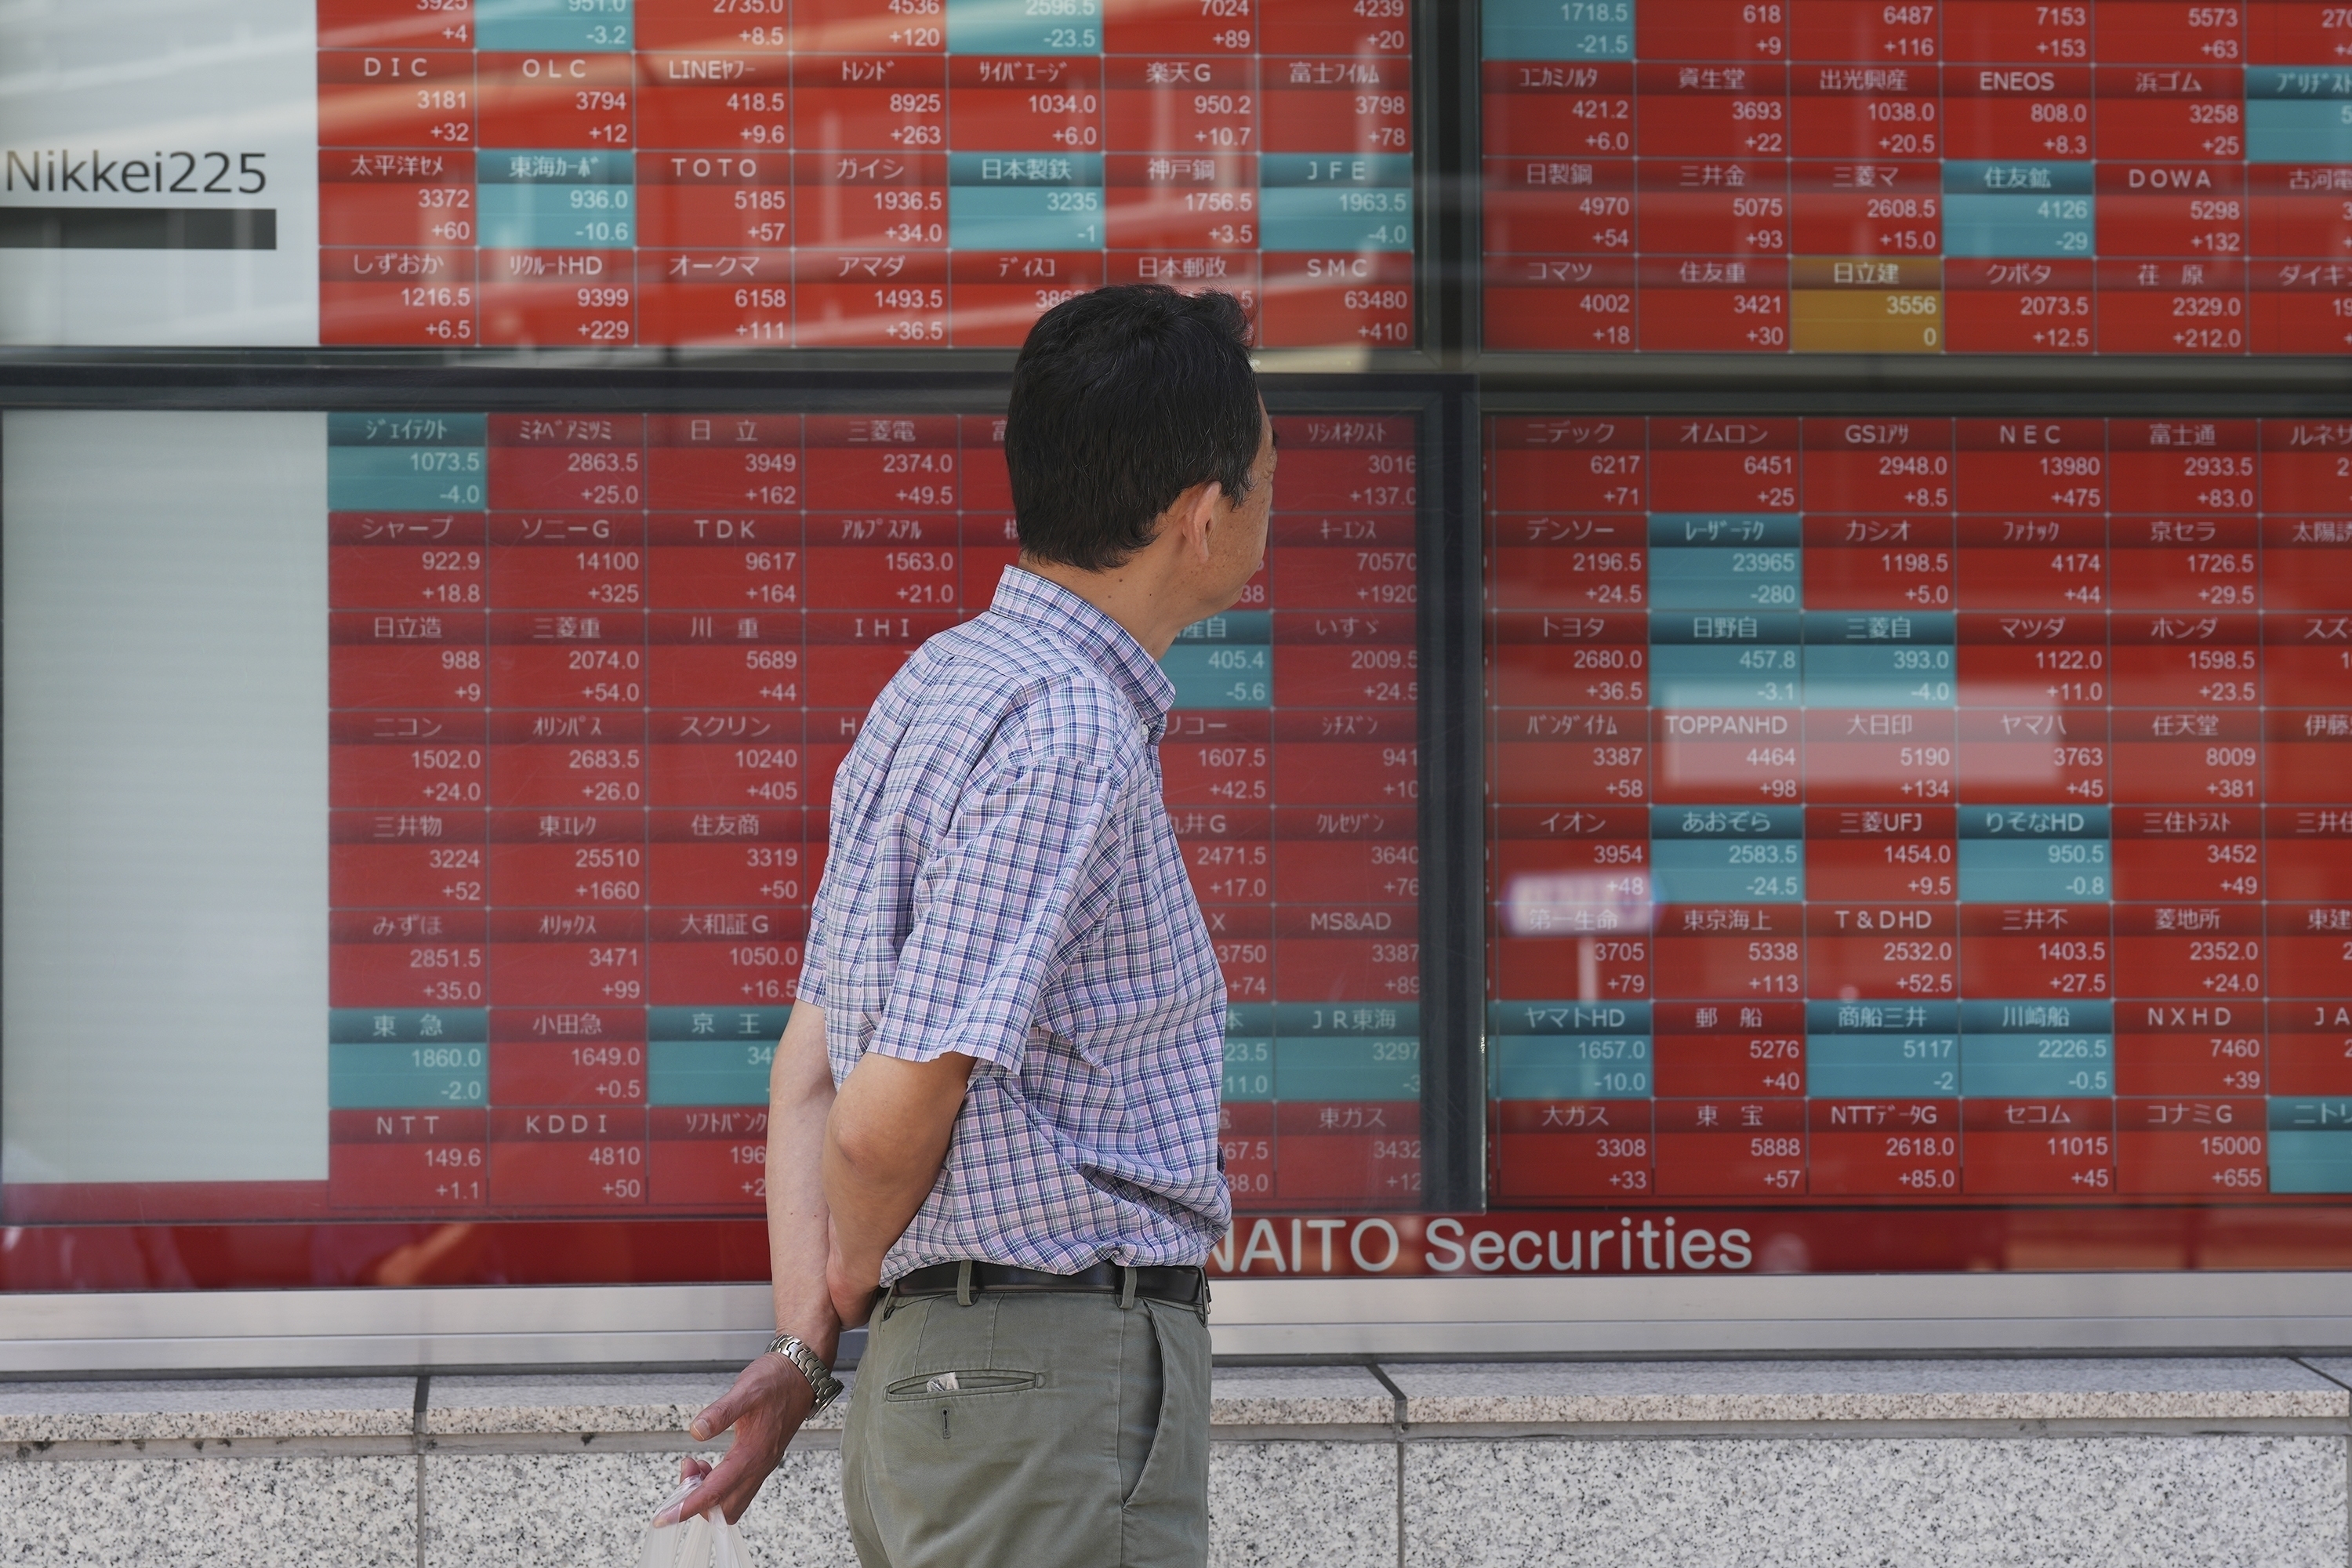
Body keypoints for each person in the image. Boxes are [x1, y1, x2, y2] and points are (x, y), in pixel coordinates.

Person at [662, 283, 1272, 1567]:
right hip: (1042, 1374)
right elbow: (884, 1112)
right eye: (1267, 475)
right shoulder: (1067, 725)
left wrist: (801, 1347)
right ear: (1201, 516)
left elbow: (808, 1068)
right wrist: (850, 1278)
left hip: (947, 1388)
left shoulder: (935, 687)